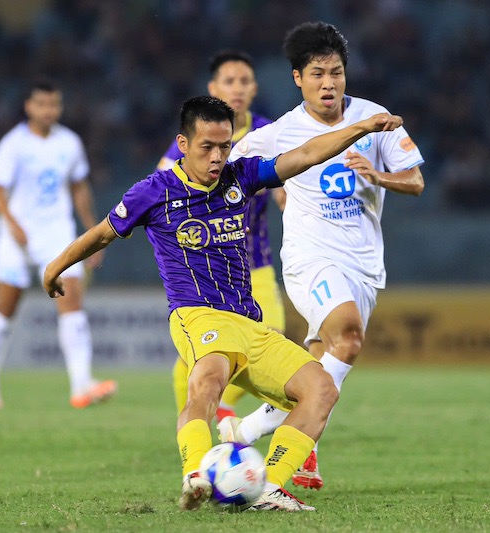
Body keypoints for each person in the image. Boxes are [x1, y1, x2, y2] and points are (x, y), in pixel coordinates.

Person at [42, 96, 403, 511]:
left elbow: (303, 155)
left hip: (250, 324)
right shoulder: (154, 192)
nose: (217, 157)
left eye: (225, 146)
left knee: (321, 389)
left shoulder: (241, 177)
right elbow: (104, 232)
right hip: (196, 315)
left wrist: (360, 128)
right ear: (183, 143)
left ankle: (268, 487)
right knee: (208, 380)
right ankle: (196, 472)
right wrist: (56, 266)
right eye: (207, 147)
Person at [220, 21, 425, 491]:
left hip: (365, 266)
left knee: (322, 360)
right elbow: (225, 166)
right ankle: (268, 466)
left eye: (335, 72)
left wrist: (378, 176)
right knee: (349, 337)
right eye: (316, 74)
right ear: (297, 78)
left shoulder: (376, 119)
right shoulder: (281, 132)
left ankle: (247, 432)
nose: (328, 83)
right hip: (309, 258)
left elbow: (415, 181)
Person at [156, 50, 286, 423]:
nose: (238, 88)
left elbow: (284, 183)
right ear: (214, 88)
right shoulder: (197, 137)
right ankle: (195, 424)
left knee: (269, 335)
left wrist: (285, 199)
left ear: (255, 88)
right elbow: (161, 185)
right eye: (229, 81)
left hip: (252, 263)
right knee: (194, 356)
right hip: (201, 267)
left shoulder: (269, 133)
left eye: (244, 81)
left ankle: (221, 406)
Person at [0, 78, 117, 410]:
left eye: (54, 104)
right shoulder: (13, 144)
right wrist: (12, 224)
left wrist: (92, 234)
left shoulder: (69, 142)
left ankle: (81, 385)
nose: (49, 110)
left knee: (72, 305)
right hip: (18, 236)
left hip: (56, 234)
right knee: (5, 309)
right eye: (42, 104)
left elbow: (79, 189)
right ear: (29, 106)